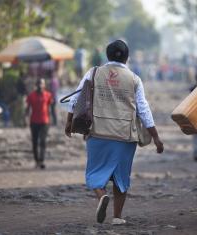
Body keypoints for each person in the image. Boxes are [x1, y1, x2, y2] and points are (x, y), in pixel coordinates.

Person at [65, 40, 164, 225]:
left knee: (95, 172)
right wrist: (156, 137)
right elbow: (143, 109)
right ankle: (117, 217)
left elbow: (76, 97)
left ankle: (101, 195)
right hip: (125, 136)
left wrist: (69, 122)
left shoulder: (93, 72)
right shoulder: (134, 79)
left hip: (98, 133)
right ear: (127, 58)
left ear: (107, 55)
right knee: (121, 176)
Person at [26, 78, 53, 169]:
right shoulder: (31, 96)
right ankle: (36, 160)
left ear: (44, 85)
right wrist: (25, 118)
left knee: (43, 141)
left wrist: (52, 118)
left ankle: (41, 160)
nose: (40, 86)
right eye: (38, 84)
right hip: (33, 121)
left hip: (45, 121)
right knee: (35, 141)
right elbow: (27, 108)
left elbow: (50, 108)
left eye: (42, 84)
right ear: (36, 85)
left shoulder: (48, 95)